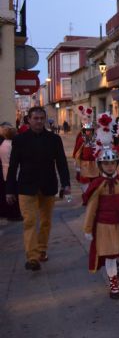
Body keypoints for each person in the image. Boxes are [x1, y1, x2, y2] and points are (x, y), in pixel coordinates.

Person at [5, 107, 71, 271]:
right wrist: (9, 190)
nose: (39, 121)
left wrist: (66, 183)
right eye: (36, 118)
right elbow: (13, 167)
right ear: (28, 120)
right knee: (29, 221)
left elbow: (61, 163)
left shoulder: (54, 139)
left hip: (48, 186)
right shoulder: (19, 140)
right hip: (26, 187)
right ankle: (32, 257)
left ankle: (41, 250)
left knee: (46, 221)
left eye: (42, 118)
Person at [82, 146, 119, 299]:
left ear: (116, 164)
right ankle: (113, 283)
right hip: (105, 226)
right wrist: (88, 229)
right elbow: (91, 209)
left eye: (113, 163)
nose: (110, 166)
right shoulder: (98, 185)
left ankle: (116, 272)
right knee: (110, 255)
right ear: (100, 165)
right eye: (106, 164)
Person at [0, 122, 21, 222]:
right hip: (12, 171)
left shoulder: (3, 144)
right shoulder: (11, 145)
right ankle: (14, 214)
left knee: (9, 192)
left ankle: (11, 213)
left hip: (5, 170)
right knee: (14, 194)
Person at [73, 120, 100, 194]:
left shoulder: (97, 139)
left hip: (95, 165)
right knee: (85, 184)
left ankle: (93, 196)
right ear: (84, 131)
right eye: (87, 130)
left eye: (90, 130)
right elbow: (77, 153)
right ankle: (86, 197)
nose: (89, 132)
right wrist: (77, 165)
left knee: (95, 182)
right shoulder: (82, 139)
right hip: (84, 165)